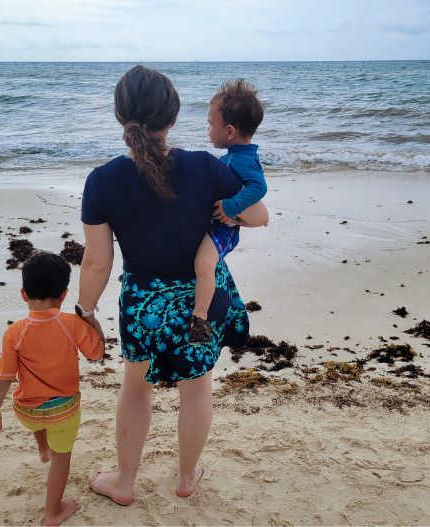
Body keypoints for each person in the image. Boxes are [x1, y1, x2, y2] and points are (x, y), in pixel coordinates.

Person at [76, 65, 268, 505]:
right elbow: (259, 215)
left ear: (121, 116)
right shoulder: (205, 167)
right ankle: (185, 477)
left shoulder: (102, 181)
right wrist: (227, 209)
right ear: (173, 117)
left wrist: (85, 311)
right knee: (197, 387)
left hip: (144, 302)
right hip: (204, 296)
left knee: (135, 387)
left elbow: (97, 262)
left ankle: (125, 481)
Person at [0, 251, 104, 526]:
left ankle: (42, 450)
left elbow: (3, 376)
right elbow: (97, 354)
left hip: (25, 411)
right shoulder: (70, 324)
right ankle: (53, 512)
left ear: (24, 294)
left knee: (38, 418)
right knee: (62, 460)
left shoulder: (14, 332)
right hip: (63, 412)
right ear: (64, 295)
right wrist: (91, 322)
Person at [190, 79, 268, 343]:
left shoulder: (244, 159)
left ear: (230, 131)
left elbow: (259, 187)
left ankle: (199, 318)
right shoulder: (233, 156)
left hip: (226, 228)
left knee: (204, 263)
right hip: (221, 223)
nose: (208, 130)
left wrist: (231, 207)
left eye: (211, 125)